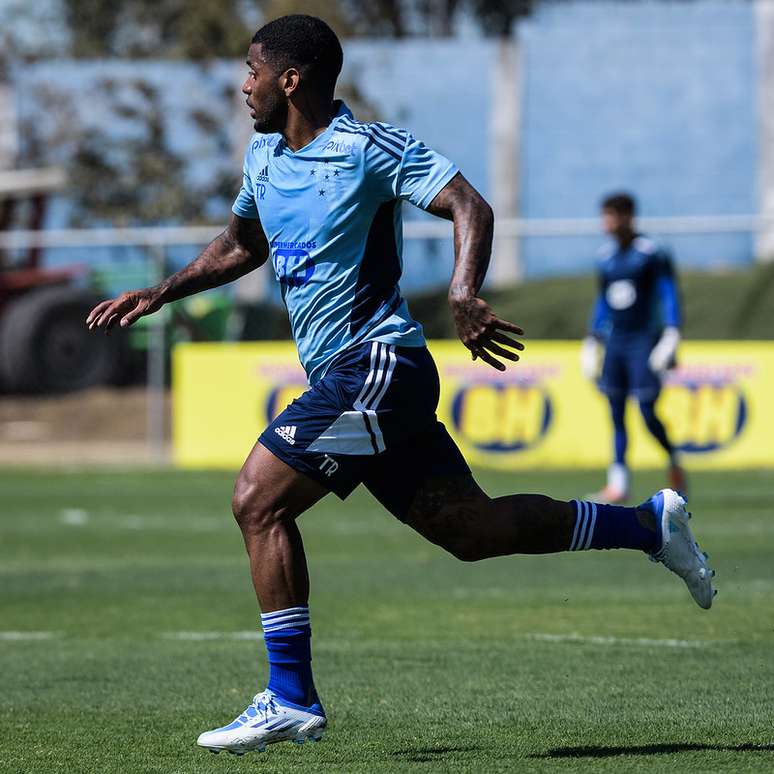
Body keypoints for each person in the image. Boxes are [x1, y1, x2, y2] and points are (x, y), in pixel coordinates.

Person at [87, 16, 715, 757]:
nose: (243, 85)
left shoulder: (367, 148)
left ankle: (290, 695)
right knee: (471, 532)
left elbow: (468, 205)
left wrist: (462, 291)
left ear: (290, 78)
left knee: (256, 500)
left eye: (252, 70)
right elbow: (241, 245)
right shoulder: (262, 157)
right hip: (358, 380)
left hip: (379, 366)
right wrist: (162, 290)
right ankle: (648, 525)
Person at [581, 193, 687, 504]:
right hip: (616, 343)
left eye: (611, 216)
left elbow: (668, 293)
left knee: (646, 411)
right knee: (615, 410)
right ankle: (618, 484)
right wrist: (592, 338)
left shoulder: (651, 253)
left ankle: (673, 460)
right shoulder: (605, 257)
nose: (606, 223)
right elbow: (603, 301)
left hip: (644, 341)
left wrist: (671, 333)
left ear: (627, 216)